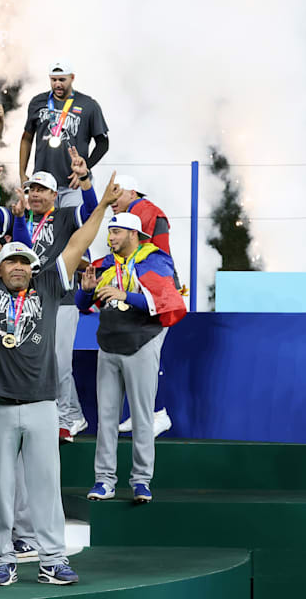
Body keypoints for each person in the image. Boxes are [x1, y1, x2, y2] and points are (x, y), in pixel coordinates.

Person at [0, 163, 122, 586]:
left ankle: (52, 557)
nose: (17, 267)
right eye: (10, 261)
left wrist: (100, 204)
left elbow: (79, 241)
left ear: (32, 268)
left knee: (48, 485)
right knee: (1, 487)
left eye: (23, 262)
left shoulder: (49, 286)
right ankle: (4, 558)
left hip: (43, 403)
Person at [0, 151, 100, 442]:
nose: (35, 195)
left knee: (60, 361)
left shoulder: (63, 217)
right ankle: (68, 415)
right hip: (27, 301)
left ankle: (66, 418)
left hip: (60, 296)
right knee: (39, 358)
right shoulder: (18, 216)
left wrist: (84, 179)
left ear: (54, 195)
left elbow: (92, 209)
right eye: (31, 189)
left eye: (42, 190)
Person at [78, 213, 185, 504]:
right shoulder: (106, 266)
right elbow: (84, 305)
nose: (110, 237)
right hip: (109, 344)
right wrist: (86, 293)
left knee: (142, 417)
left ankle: (141, 481)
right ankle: (104, 480)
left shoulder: (154, 260)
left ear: (134, 234)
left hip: (141, 343)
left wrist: (125, 295)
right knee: (107, 418)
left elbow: (166, 299)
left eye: (116, 232)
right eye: (110, 232)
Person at [109, 176, 174, 436]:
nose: (112, 201)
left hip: (155, 294)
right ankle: (143, 414)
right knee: (139, 356)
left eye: (117, 194)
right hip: (150, 292)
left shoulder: (144, 211)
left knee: (147, 355)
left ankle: (156, 414)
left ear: (133, 192)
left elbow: (143, 254)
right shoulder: (138, 212)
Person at [19, 60, 109, 209]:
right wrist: (22, 173)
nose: (57, 84)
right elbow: (26, 139)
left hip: (73, 185)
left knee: (74, 228)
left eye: (62, 80)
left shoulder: (88, 105)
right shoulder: (37, 102)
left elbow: (103, 143)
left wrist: (86, 169)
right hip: (43, 185)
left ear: (72, 78)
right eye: (53, 80)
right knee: (43, 227)